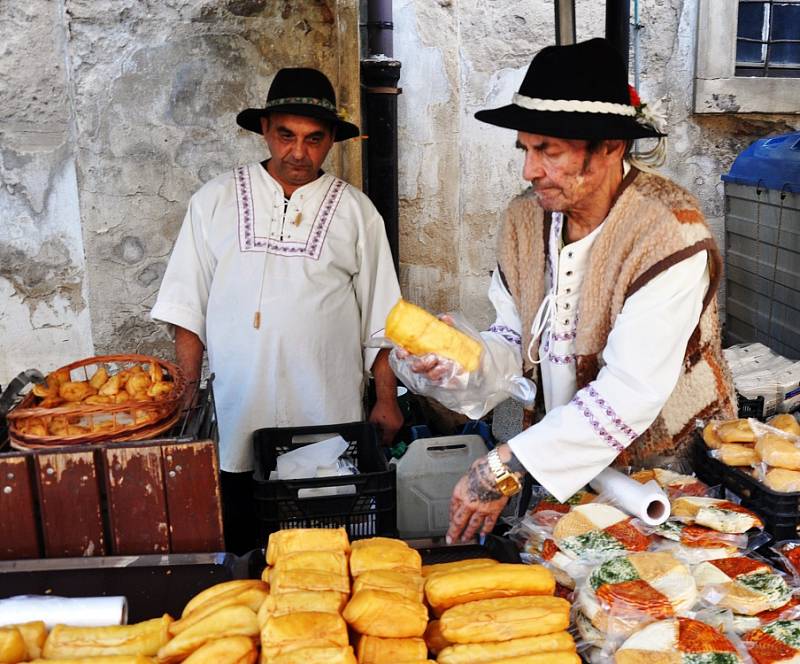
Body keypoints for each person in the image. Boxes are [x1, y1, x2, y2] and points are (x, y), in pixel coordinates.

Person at [397, 38, 736, 544]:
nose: (529, 170)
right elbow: (512, 341)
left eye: (548, 151)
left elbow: (629, 392)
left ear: (610, 147)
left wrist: (505, 464)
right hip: (563, 469)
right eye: (526, 149)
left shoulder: (670, 232)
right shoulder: (523, 218)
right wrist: (463, 363)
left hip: (666, 480)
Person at [152, 68, 403, 552]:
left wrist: (386, 398)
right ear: (265, 130)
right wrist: (186, 393)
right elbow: (187, 305)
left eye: (314, 139)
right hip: (242, 411)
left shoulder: (356, 212)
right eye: (285, 135)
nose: (298, 152)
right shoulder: (214, 201)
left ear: (331, 141)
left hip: (328, 414)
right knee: (247, 544)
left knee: (327, 547)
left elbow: (383, 316)